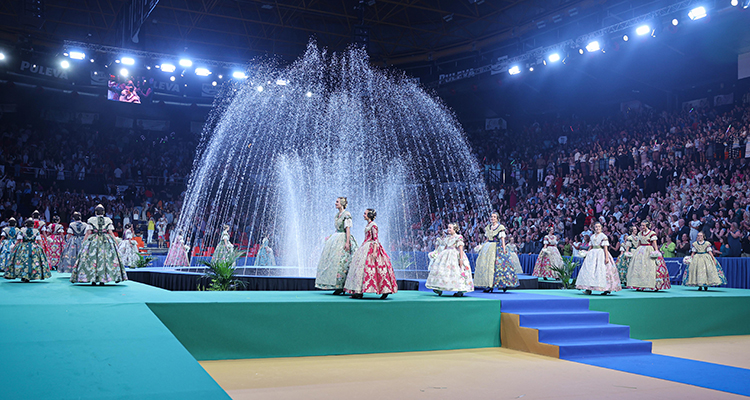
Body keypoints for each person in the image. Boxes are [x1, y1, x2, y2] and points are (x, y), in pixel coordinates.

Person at [344, 208, 398, 299]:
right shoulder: (369, 225)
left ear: (369, 215)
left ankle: (385, 290)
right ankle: (358, 291)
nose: (363, 215)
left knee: (377, 270)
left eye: (365, 214)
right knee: (359, 269)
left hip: (371, 247)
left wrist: (374, 251)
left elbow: (376, 239)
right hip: (365, 246)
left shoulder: (373, 225)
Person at [71, 205, 127, 285]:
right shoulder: (108, 220)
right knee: (105, 259)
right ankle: (102, 280)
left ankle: (93, 280)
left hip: (93, 240)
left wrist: (84, 242)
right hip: (105, 240)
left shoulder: (91, 220)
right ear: (103, 212)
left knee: (93, 259)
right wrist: (116, 242)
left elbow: (88, 232)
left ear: (95, 212)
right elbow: (110, 232)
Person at [315, 197, 359, 295]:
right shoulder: (337, 215)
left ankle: (344, 286)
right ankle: (337, 285)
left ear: (342, 203)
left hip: (343, 238)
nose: (335, 203)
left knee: (343, 262)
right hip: (337, 238)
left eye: (337, 202)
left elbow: (348, 229)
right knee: (334, 262)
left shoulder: (346, 215)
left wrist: (347, 242)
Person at [425, 223, 474, 297]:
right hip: (446, 255)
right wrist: (439, 256)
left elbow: (461, 249)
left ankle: (460, 290)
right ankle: (438, 287)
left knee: (457, 272)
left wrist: (461, 259)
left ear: (454, 229)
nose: (448, 229)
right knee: (442, 270)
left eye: (450, 228)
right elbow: (445, 247)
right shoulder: (447, 237)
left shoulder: (458, 237)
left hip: (454, 255)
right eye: (448, 228)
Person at [474, 212, 518, 293]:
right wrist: (482, 246)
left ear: (497, 218)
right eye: (491, 217)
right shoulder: (488, 227)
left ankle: (503, 284)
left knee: (499, 266)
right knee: (487, 266)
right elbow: (487, 238)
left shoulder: (500, 227)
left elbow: (502, 239)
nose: (492, 218)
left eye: (494, 217)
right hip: (488, 247)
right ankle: (489, 285)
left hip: (497, 247)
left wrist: (504, 249)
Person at [576, 222, 621, 295]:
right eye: (596, 227)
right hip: (592, 254)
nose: (597, 228)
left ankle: (607, 289)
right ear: (594, 228)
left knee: (603, 271)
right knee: (590, 271)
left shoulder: (603, 236)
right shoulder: (592, 236)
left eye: (599, 227)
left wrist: (606, 258)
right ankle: (588, 289)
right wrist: (586, 253)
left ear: (601, 228)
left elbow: (605, 248)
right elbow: (590, 246)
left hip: (601, 253)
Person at [626, 221, 671, 291]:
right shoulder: (640, 233)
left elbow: (654, 243)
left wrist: (656, 252)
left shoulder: (652, 233)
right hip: (640, 251)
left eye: (643, 225)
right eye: (641, 225)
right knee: (639, 267)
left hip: (648, 250)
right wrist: (635, 251)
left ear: (647, 226)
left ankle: (653, 285)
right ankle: (639, 285)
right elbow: (639, 243)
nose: (642, 227)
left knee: (651, 267)